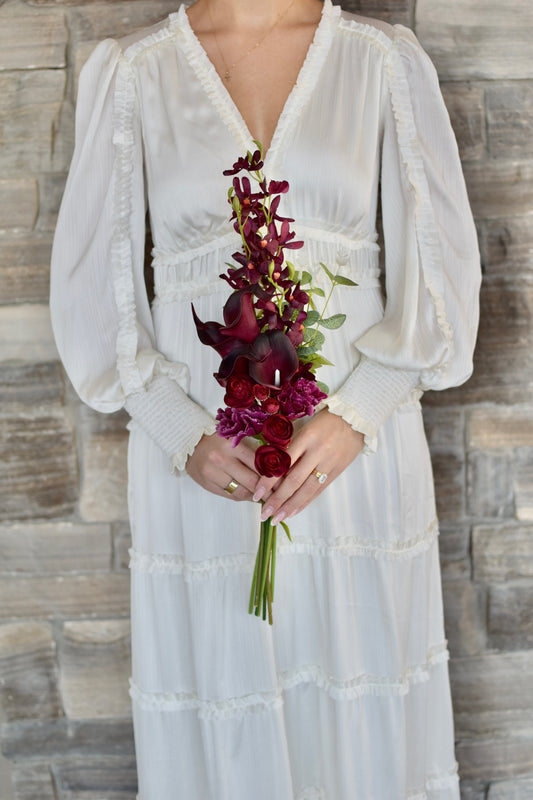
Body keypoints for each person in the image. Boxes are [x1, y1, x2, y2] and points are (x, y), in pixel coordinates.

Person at [50, 0, 481, 796]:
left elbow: (438, 270)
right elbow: (98, 290)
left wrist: (360, 412)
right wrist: (179, 430)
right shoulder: (134, 73)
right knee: (226, 712)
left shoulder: (381, 61)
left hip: (355, 468)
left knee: (363, 715)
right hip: (210, 474)